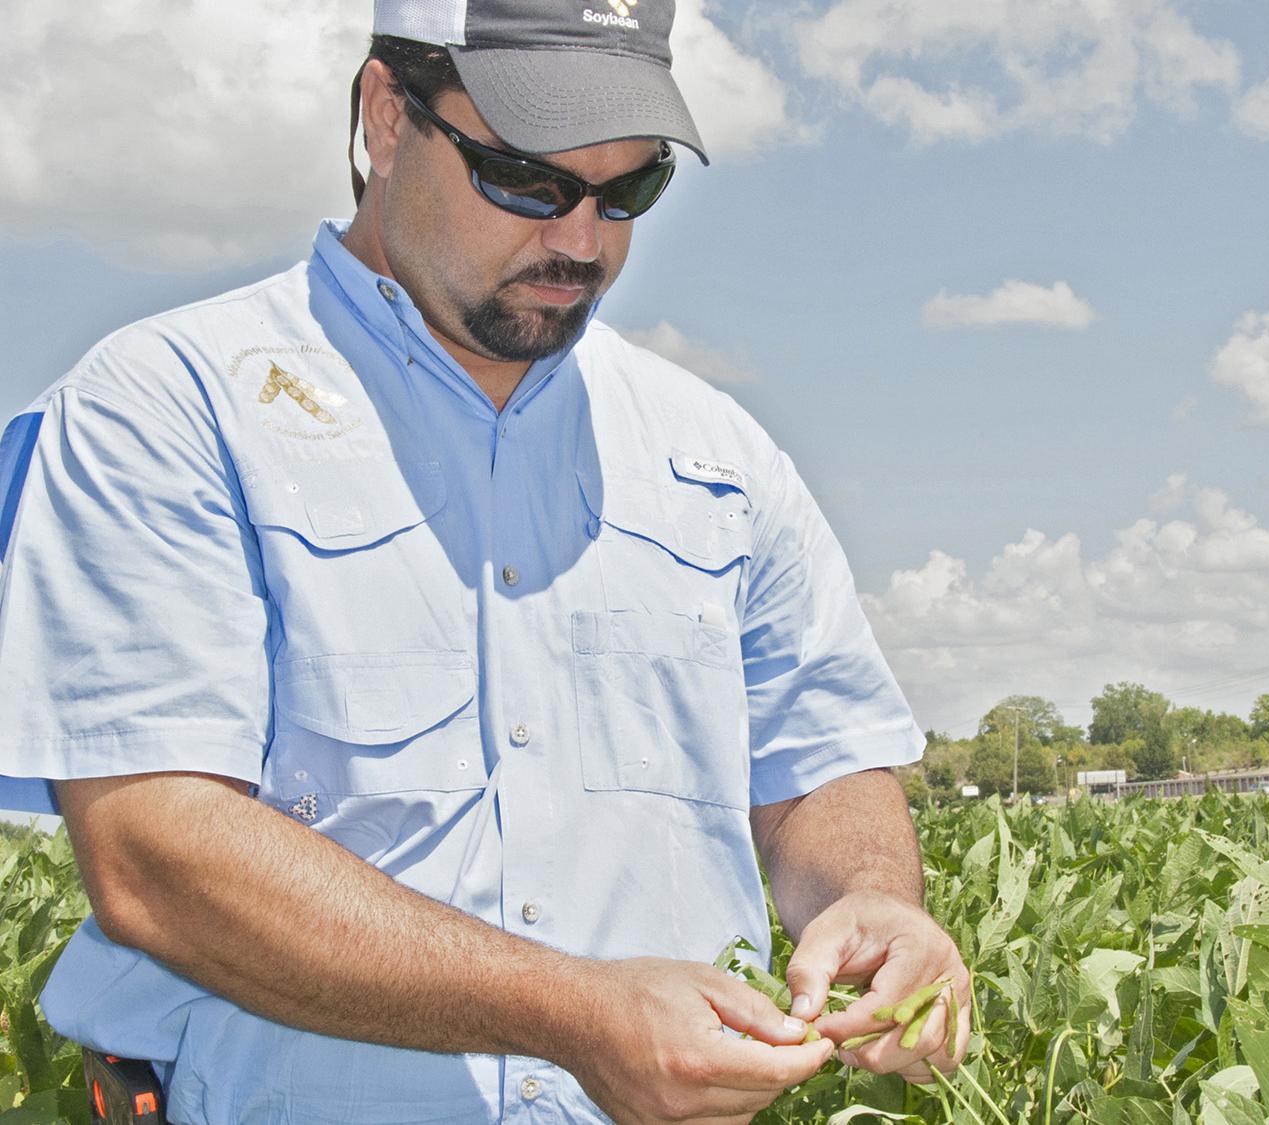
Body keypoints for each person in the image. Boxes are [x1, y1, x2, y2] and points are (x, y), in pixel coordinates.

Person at [0, 2, 969, 1121]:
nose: (581, 239)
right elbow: (155, 852)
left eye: (630, 190)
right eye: (526, 180)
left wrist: (875, 901)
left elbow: (820, 762)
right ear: (385, 116)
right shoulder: (165, 408)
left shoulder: (721, 456)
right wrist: (570, 1011)